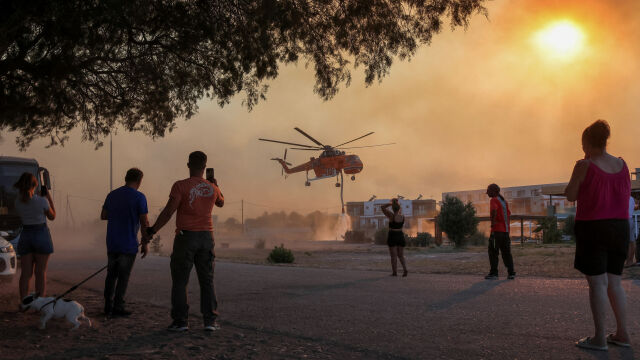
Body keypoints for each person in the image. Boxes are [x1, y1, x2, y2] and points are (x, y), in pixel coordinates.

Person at [565, 120, 631, 351]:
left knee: (597, 283)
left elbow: (570, 195)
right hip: (620, 227)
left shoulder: (585, 165)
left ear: (587, 143)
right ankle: (622, 334)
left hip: (594, 227)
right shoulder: (622, 164)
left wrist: (578, 169)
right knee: (614, 282)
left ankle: (600, 339)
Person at [146, 151, 224, 331]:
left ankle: (181, 322)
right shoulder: (212, 187)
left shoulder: (180, 186)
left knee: (181, 281)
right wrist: (216, 185)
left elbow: (168, 211)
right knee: (207, 280)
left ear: (188, 165)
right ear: (205, 168)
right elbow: (221, 202)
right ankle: (210, 321)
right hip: (206, 237)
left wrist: (152, 230)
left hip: (186, 237)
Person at [101, 168, 149, 317]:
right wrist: (145, 242)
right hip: (128, 244)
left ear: (126, 177)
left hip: (112, 242)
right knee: (123, 276)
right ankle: (118, 306)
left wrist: (117, 214)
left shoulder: (112, 195)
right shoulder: (139, 197)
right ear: (139, 180)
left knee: (111, 275)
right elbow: (144, 222)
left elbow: (104, 215)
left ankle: (107, 306)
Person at [13, 173, 56, 302]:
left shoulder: (17, 202)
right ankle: (40, 303)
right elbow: (52, 216)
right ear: (34, 185)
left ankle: (24, 303)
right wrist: (48, 196)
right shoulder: (42, 201)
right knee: (40, 273)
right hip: (41, 234)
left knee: (26, 274)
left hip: (26, 234)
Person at [484, 184, 515, 280]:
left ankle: (494, 273)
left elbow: (494, 211)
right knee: (506, 253)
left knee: (493, 252)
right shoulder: (504, 201)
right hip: (505, 232)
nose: (487, 193)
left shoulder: (494, 200)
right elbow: (508, 214)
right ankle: (511, 273)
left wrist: (493, 224)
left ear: (493, 191)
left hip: (496, 232)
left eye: (488, 191)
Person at [381, 199, 408, 277]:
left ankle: (395, 272)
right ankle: (405, 269)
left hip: (393, 235)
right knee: (401, 255)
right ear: (399, 208)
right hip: (400, 235)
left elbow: (382, 207)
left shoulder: (391, 216)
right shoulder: (403, 217)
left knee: (393, 256)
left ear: (393, 208)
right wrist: (395, 204)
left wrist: (390, 203)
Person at [625, 196, 636, 267]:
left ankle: (629, 261)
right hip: (630, 219)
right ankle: (630, 260)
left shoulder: (625, 198)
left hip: (625, 219)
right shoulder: (631, 198)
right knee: (631, 241)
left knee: (629, 241)